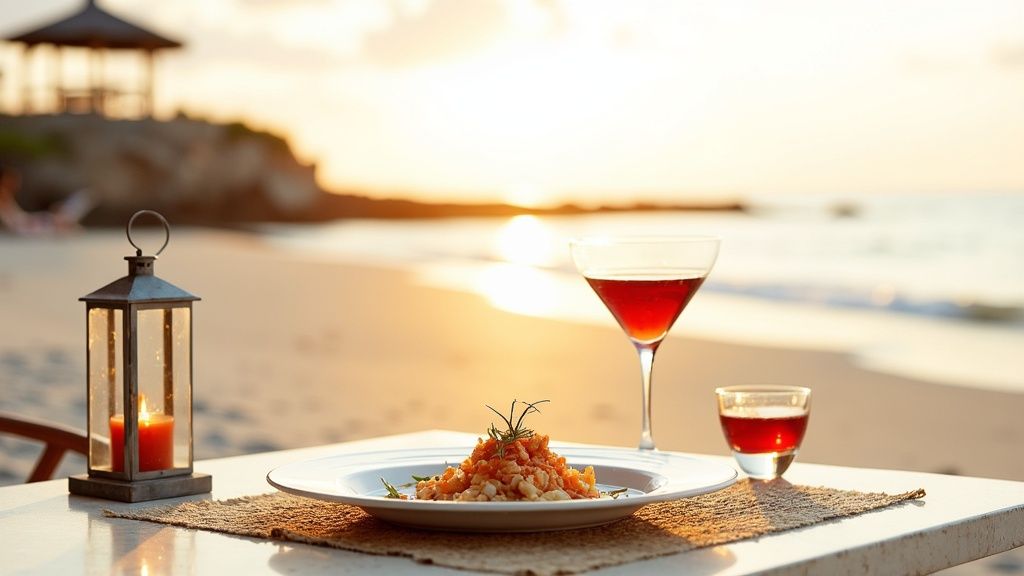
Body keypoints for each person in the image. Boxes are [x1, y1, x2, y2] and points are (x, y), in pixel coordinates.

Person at [0, 165, 93, 235]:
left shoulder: (6, 195)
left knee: (65, 220)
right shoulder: (3, 194)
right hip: (24, 227)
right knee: (65, 221)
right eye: (13, 179)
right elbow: (14, 224)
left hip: (27, 224)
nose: (17, 183)